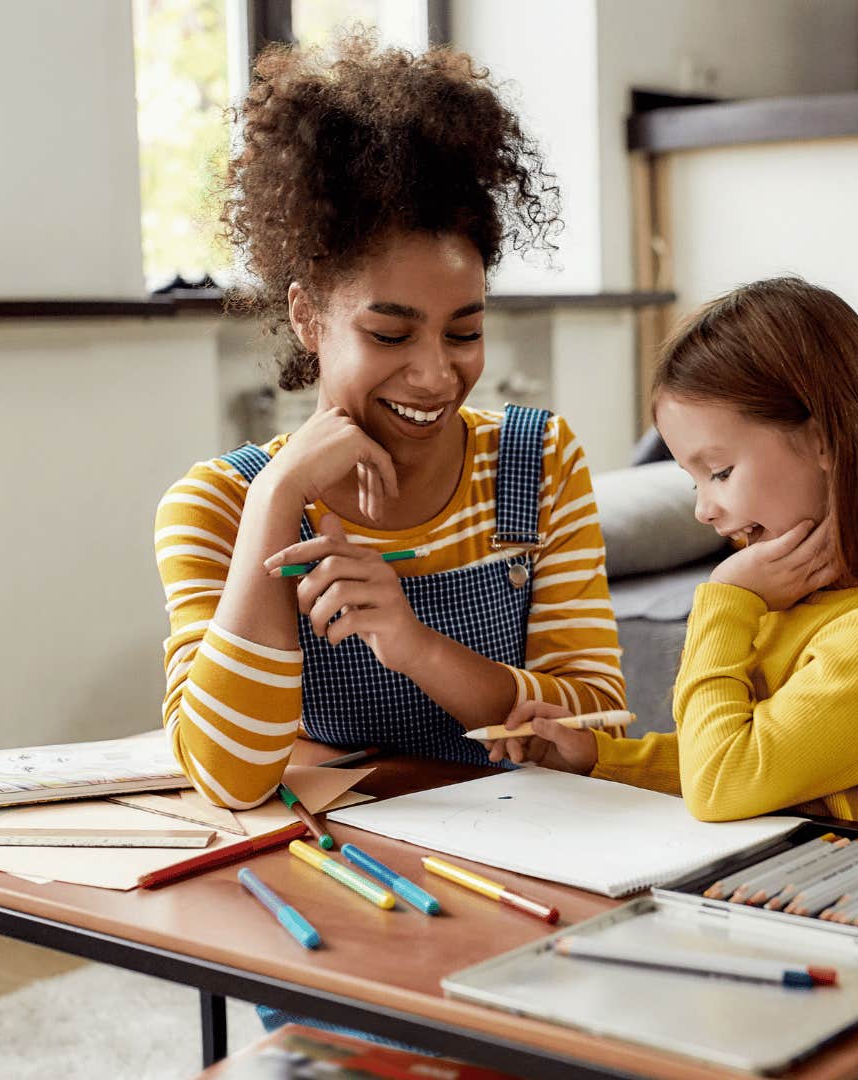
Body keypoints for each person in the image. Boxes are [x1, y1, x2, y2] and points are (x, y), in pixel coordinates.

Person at [153, 34, 624, 812]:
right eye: (391, 334)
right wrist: (275, 498)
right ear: (307, 315)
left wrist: (415, 646)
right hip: (334, 869)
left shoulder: (536, 463)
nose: (438, 375)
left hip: (527, 858)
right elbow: (228, 778)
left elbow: (590, 719)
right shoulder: (215, 508)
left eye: (465, 332)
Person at [490, 276, 858, 829]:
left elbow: (722, 782)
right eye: (693, 480)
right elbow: (735, 753)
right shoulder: (787, 597)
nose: (703, 509)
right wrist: (600, 758)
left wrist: (725, 600)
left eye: (720, 472)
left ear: (824, 441)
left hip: (819, 903)